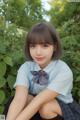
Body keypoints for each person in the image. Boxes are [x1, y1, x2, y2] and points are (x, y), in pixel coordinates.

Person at [6, 22, 80, 120]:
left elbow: (39, 101)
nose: (38, 52)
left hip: (59, 109)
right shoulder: (26, 67)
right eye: (33, 46)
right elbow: (19, 99)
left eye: (45, 45)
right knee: (24, 99)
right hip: (35, 106)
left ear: (55, 46)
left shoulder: (63, 71)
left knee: (46, 107)